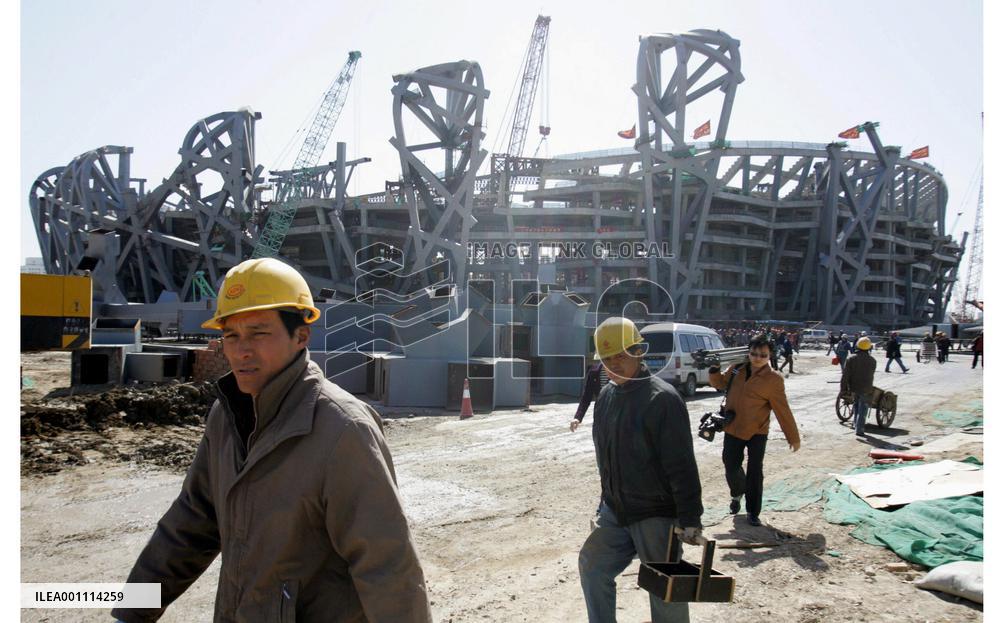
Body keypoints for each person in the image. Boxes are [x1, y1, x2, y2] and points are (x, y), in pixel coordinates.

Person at [111, 258, 432, 623]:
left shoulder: (342, 429)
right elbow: (192, 522)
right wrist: (132, 610)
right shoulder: (225, 416)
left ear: (301, 336)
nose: (241, 350)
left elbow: (387, 566)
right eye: (231, 335)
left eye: (259, 333)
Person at [578, 317, 703, 623]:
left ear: (638, 352)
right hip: (617, 510)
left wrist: (690, 518)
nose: (613, 365)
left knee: (665, 587)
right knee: (592, 565)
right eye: (607, 359)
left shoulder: (662, 400)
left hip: (656, 513)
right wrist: (603, 503)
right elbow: (605, 458)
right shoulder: (605, 398)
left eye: (621, 356)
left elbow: (682, 465)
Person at [708, 335, 800, 528]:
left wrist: (793, 437)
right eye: (754, 354)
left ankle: (752, 512)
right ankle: (737, 493)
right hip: (733, 427)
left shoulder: (774, 379)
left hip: (758, 431)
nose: (758, 358)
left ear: (770, 356)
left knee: (755, 472)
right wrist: (714, 369)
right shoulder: (736, 370)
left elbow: (782, 409)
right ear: (748, 353)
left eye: (763, 355)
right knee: (730, 465)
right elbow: (719, 384)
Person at [841, 336, 877, 438]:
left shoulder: (851, 359)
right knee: (863, 408)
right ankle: (859, 428)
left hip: (854, 387)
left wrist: (843, 389)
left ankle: (856, 425)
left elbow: (845, 375)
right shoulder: (873, 360)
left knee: (856, 405)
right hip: (866, 388)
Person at [570, 361, 603, 431]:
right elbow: (586, 397)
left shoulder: (622, 371)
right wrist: (578, 417)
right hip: (601, 416)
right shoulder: (594, 372)